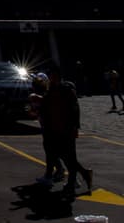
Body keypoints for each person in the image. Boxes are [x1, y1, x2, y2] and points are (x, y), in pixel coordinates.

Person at [39, 64, 91, 199]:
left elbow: (75, 109)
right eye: (49, 75)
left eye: (52, 75)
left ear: (57, 75)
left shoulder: (67, 89)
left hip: (67, 128)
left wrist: (75, 127)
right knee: (62, 155)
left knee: (70, 157)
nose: (50, 77)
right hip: (54, 129)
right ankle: (83, 174)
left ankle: (72, 183)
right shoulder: (51, 89)